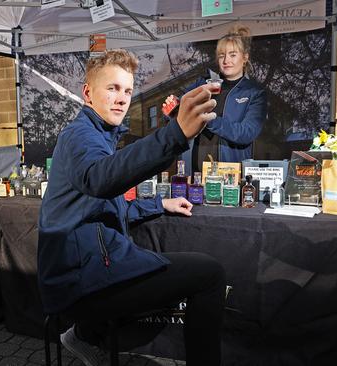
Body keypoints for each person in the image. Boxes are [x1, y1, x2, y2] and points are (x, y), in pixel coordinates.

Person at [38, 49, 226, 366]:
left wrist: (159, 203)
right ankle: (85, 330)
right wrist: (174, 134)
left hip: (85, 272)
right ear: (87, 93)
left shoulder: (101, 137)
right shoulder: (79, 136)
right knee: (210, 274)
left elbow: (109, 205)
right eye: (112, 88)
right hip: (80, 282)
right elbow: (100, 179)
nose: (122, 99)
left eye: (127, 90)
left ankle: (84, 333)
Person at [163, 25, 267, 175]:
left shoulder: (255, 92)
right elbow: (180, 108)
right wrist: (171, 109)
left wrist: (208, 120)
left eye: (232, 55)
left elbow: (247, 133)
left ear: (245, 58)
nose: (226, 60)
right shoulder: (204, 84)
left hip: (232, 175)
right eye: (221, 55)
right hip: (200, 170)